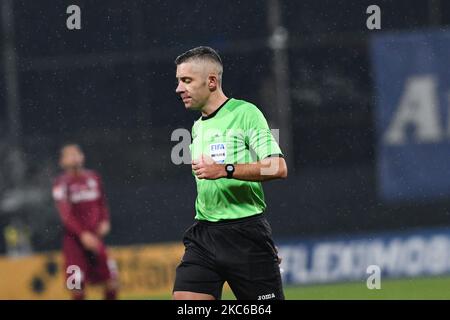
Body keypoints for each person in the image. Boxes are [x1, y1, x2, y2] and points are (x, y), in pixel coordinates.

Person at [173, 46, 288, 300]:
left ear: (211, 81)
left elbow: (277, 167)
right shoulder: (197, 127)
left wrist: (224, 170)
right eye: (179, 81)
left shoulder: (245, 114)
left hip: (246, 236)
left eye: (187, 80)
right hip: (204, 235)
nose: (179, 88)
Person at [52, 143, 118, 300]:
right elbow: (65, 214)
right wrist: (82, 234)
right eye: (70, 154)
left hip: (95, 239)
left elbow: (102, 202)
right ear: (62, 162)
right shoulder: (61, 183)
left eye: (77, 153)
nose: (74, 156)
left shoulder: (93, 177)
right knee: (76, 285)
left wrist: (105, 221)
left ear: (83, 156)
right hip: (74, 242)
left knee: (112, 281)